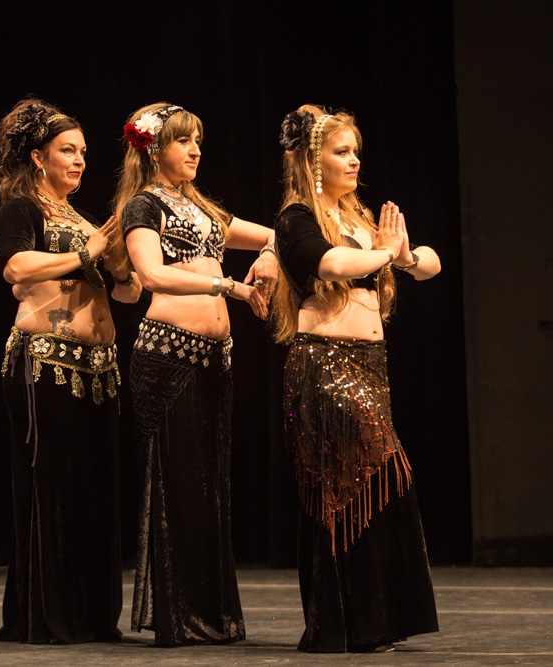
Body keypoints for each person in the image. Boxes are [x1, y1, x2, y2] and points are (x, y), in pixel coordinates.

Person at [271, 105, 441, 653]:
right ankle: (345, 622)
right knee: (347, 486)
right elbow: (331, 266)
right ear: (313, 160)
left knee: (374, 483)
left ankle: (376, 621)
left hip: (370, 367)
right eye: (341, 151)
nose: (354, 160)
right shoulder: (296, 219)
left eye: (356, 152)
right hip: (325, 366)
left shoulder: (360, 221)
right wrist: (383, 252)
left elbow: (430, 264)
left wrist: (403, 254)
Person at [111, 102, 278, 647]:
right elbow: (152, 274)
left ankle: (209, 611)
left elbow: (277, 233)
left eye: (198, 141)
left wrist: (270, 256)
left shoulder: (202, 209)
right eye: (183, 141)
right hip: (167, 356)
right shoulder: (143, 205)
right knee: (178, 485)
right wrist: (227, 286)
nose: (195, 150)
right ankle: (180, 615)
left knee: (209, 488)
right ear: (154, 148)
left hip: (214, 358)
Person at [0, 99, 141, 644]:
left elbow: (128, 293)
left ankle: (90, 615)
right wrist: (87, 255)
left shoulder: (82, 220)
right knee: (53, 491)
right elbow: (15, 266)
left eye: (82, 152)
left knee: (93, 494)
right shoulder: (21, 208)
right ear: (38, 156)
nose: (79, 160)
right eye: (67, 151)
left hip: (97, 371)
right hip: (45, 365)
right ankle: (47, 615)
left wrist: (120, 268)